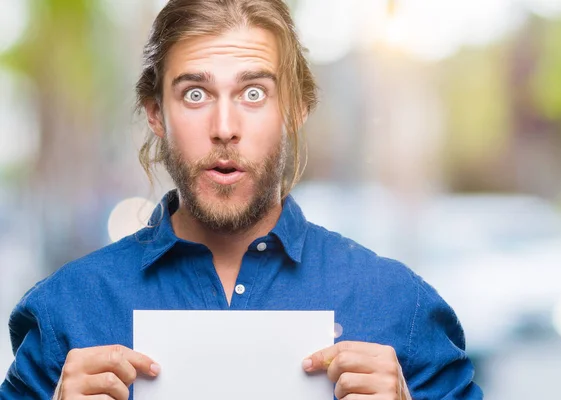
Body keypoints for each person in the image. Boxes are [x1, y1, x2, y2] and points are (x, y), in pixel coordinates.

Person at [0, 0, 483, 399]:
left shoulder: (401, 309)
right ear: (155, 114)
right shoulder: (65, 314)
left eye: (253, 93)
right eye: (194, 95)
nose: (224, 128)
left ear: (294, 110)